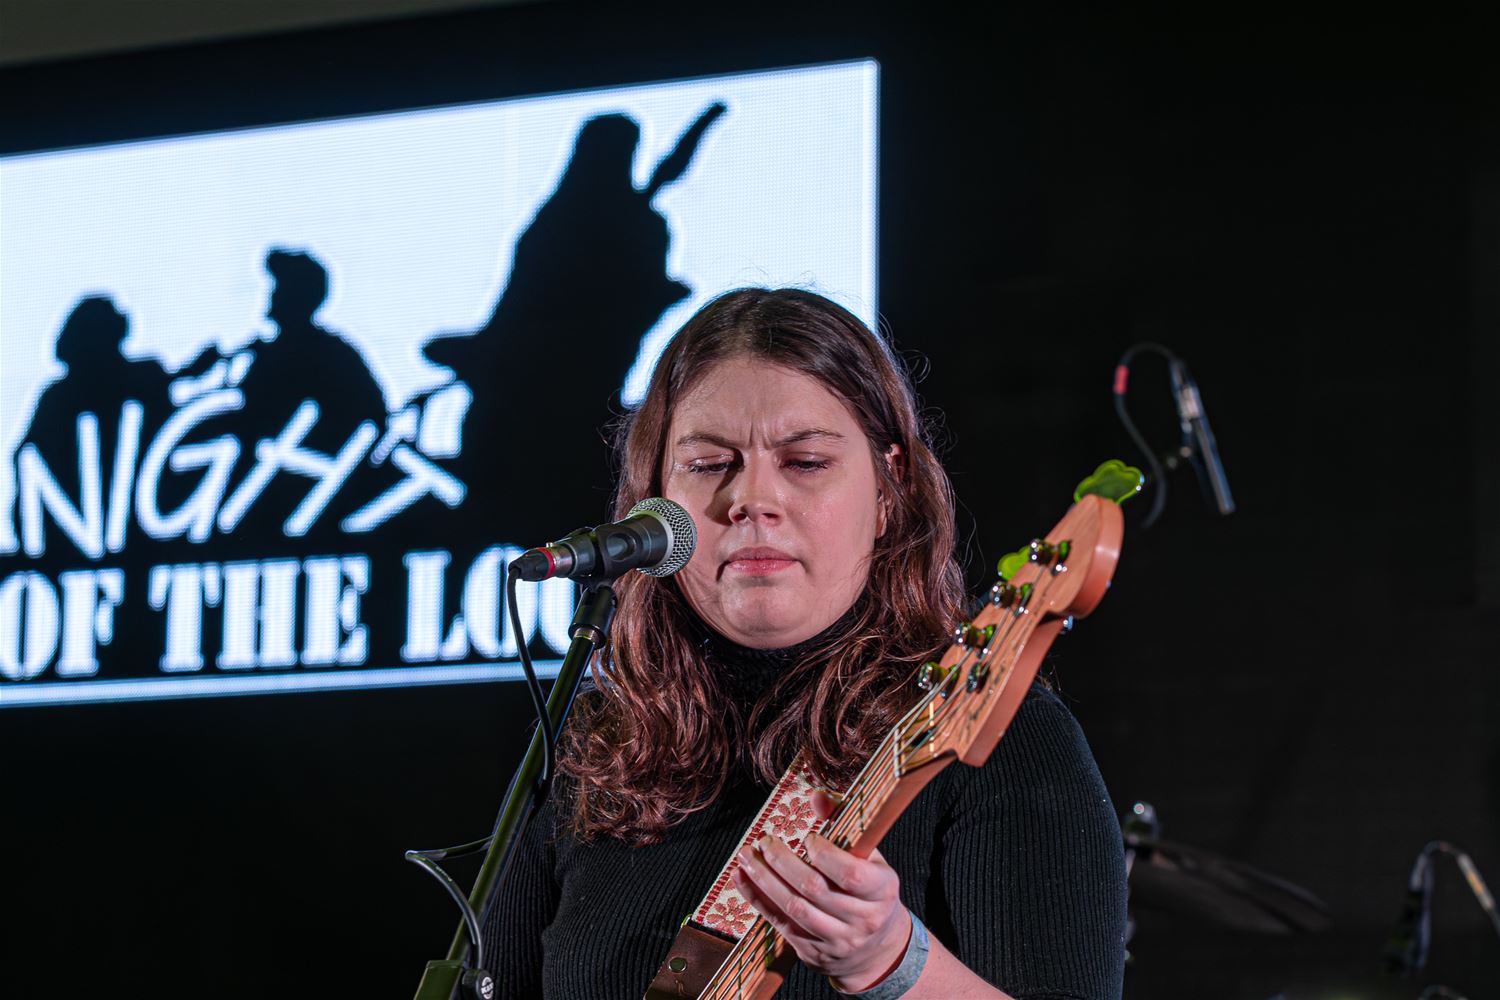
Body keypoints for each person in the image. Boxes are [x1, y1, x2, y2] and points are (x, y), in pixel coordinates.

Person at [480, 288, 1127, 999]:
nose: (750, 500)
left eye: (806, 461)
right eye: (709, 464)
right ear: (654, 497)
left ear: (889, 490)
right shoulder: (593, 750)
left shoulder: (1001, 733)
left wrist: (894, 964)